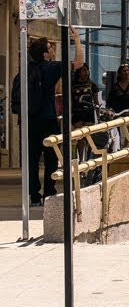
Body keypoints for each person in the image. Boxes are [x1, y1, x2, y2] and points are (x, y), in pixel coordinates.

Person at [21, 31, 85, 205]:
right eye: (50, 47)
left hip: (29, 120)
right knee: (51, 158)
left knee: (31, 161)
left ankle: (34, 196)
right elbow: (79, 63)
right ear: (45, 54)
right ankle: (49, 192)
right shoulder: (51, 67)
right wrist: (77, 39)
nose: (53, 49)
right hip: (48, 120)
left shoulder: (26, 69)